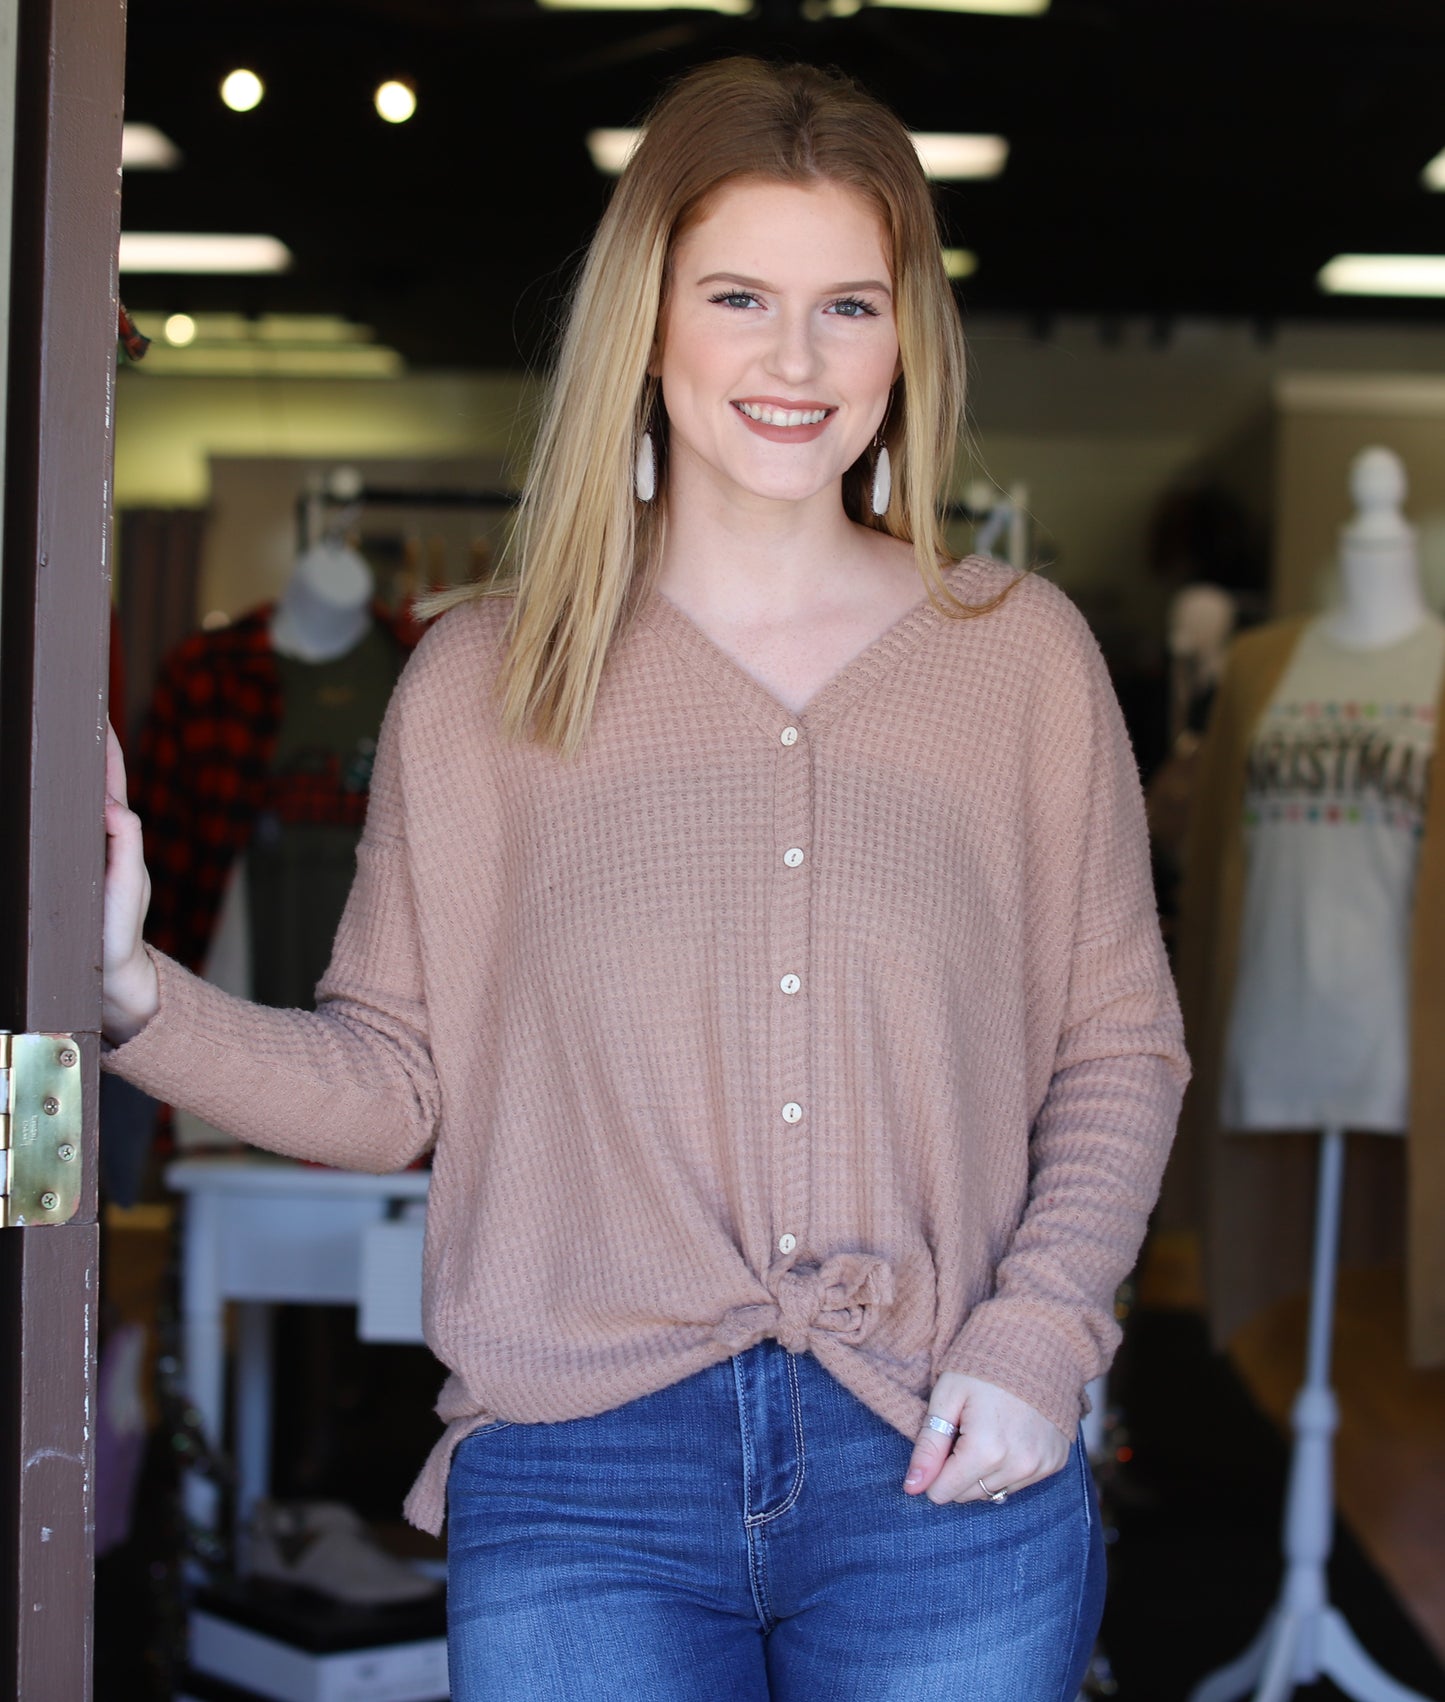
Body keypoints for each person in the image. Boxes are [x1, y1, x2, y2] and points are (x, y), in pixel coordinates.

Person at [101, 57, 1188, 1702]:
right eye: (738, 296)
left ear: (906, 340)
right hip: (579, 1473)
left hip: (938, 1455)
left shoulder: (1017, 657)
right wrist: (132, 997)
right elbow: (392, 1082)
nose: (793, 361)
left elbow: (1118, 1049)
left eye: (848, 306)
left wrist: (1041, 1336)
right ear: (648, 321)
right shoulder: (483, 675)